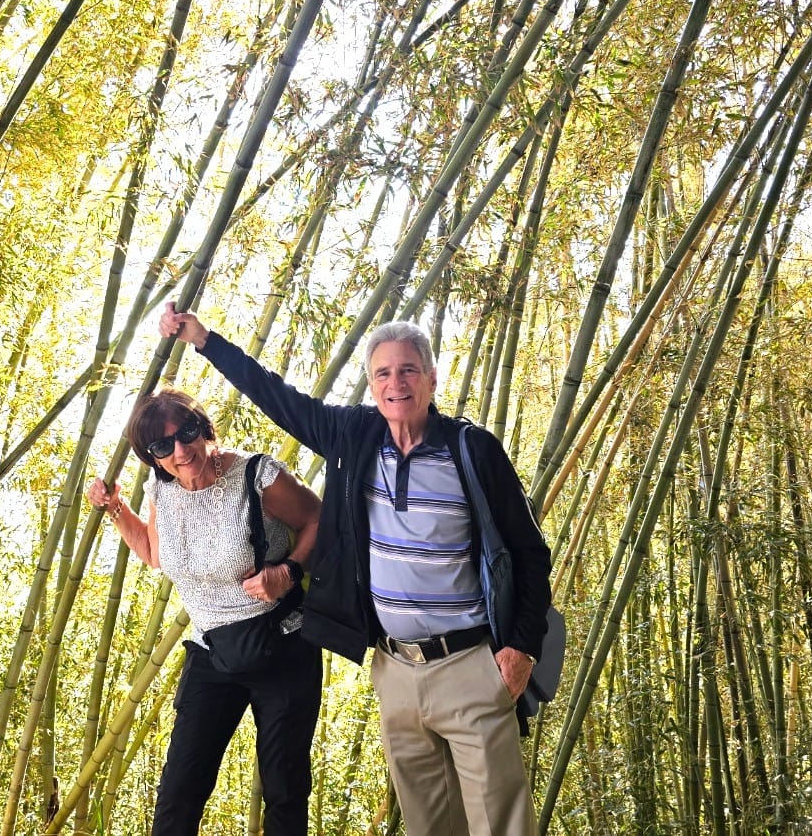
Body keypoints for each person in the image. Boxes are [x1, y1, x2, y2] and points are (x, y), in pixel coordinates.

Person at [159, 304, 552, 836]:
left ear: (432, 379)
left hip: (471, 664)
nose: (397, 383)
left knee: (501, 825)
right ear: (370, 384)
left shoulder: (471, 449)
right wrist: (205, 340)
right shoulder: (354, 436)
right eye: (383, 373)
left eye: (409, 370)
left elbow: (529, 551)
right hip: (396, 669)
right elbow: (277, 397)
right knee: (429, 824)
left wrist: (522, 647)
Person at [88, 388, 322, 836]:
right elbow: (157, 553)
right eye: (163, 446)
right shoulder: (162, 488)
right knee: (179, 791)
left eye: (187, 433)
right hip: (211, 651)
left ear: (204, 428)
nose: (181, 451)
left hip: (282, 646)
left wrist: (289, 572)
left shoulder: (256, 475)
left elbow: (320, 519)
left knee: (285, 790)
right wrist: (116, 508)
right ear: (152, 457)